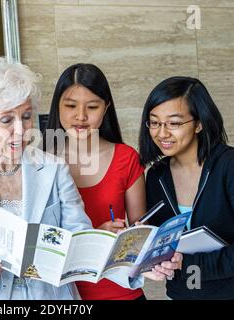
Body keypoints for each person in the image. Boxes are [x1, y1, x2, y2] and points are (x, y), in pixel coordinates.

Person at [0, 57, 153, 300]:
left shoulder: (54, 169)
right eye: (7, 120)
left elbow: (79, 241)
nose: (21, 130)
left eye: (27, 116)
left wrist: (139, 268)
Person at [43, 63, 182, 300]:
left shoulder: (125, 158)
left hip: (120, 292)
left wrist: (122, 240)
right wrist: (95, 237)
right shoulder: (40, 162)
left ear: (106, 107)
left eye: (92, 107)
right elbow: (39, 242)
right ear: (57, 106)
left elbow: (140, 231)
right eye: (70, 106)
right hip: (62, 295)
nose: (81, 116)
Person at [139, 76, 234, 300]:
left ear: (199, 123)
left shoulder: (229, 166)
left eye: (174, 123)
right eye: (155, 122)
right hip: (180, 295)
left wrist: (190, 264)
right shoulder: (156, 176)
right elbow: (161, 240)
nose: (162, 133)